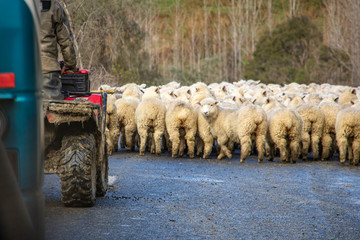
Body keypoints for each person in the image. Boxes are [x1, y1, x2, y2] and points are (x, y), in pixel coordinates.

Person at [40, 0, 77, 100]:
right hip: (47, 70)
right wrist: (70, 65)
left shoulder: (13, 5)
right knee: (52, 111)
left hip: (18, 71)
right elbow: (66, 41)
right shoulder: (53, 6)